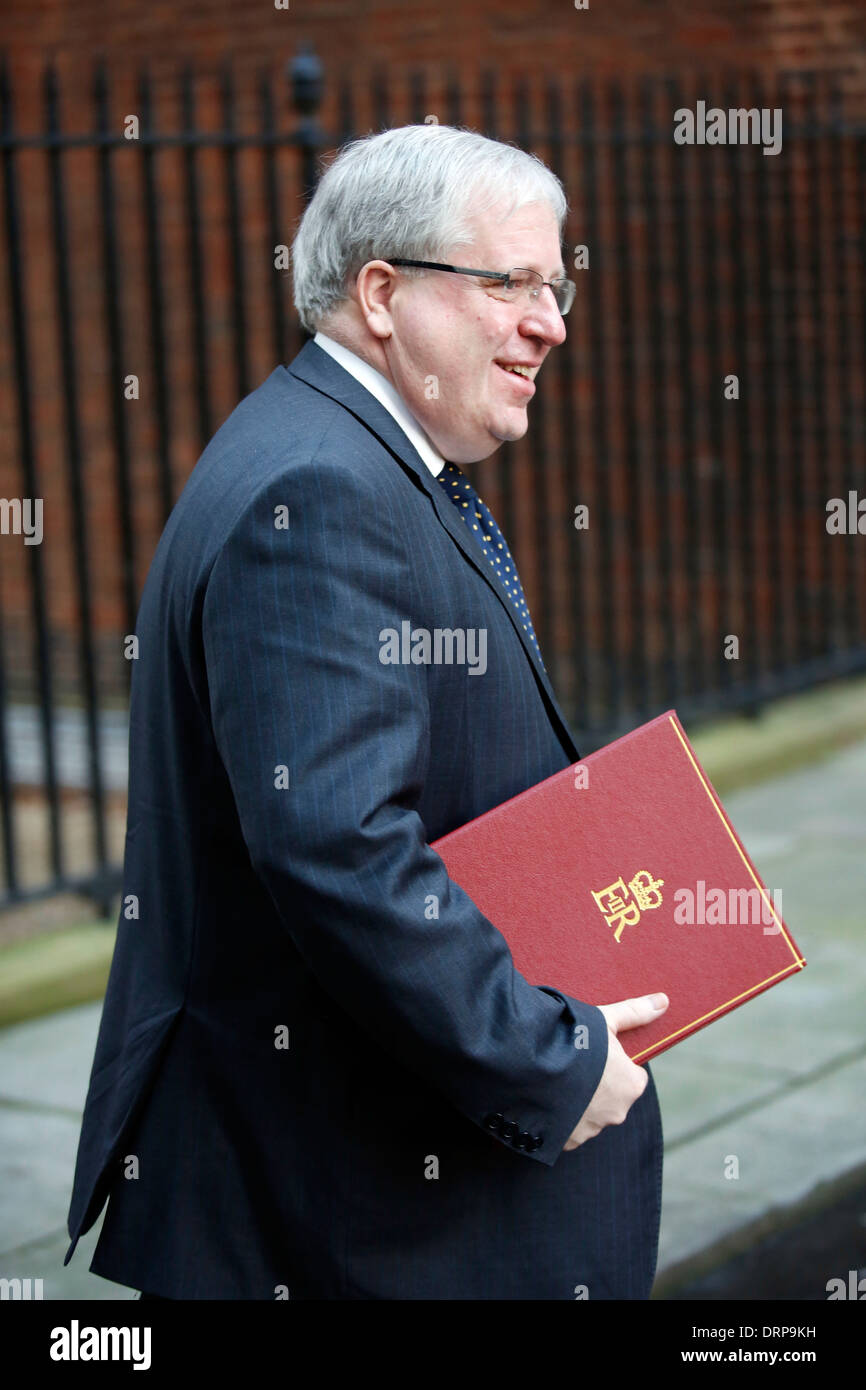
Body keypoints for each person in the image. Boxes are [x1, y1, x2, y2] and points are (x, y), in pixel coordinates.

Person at [65, 122, 668, 1301]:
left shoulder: (347, 457)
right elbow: (337, 846)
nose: (550, 321)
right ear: (382, 295)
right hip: (358, 1213)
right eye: (513, 284)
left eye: (556, 285)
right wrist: (547, 1058)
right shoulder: (319, 488)